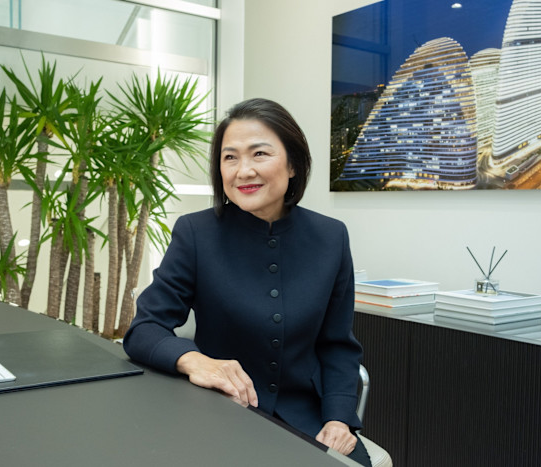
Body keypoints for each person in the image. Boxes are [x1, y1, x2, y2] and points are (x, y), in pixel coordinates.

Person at [123, 98, 371, 466]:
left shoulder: (331, 237)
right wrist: (195, 361)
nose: (243, 171)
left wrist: (338, 418)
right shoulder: (196, 233)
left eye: (259, 154)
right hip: (219, 414)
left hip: (306, 418)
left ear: (292, 165)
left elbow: (336, 345)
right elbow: (144, 330)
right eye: (230, 157)